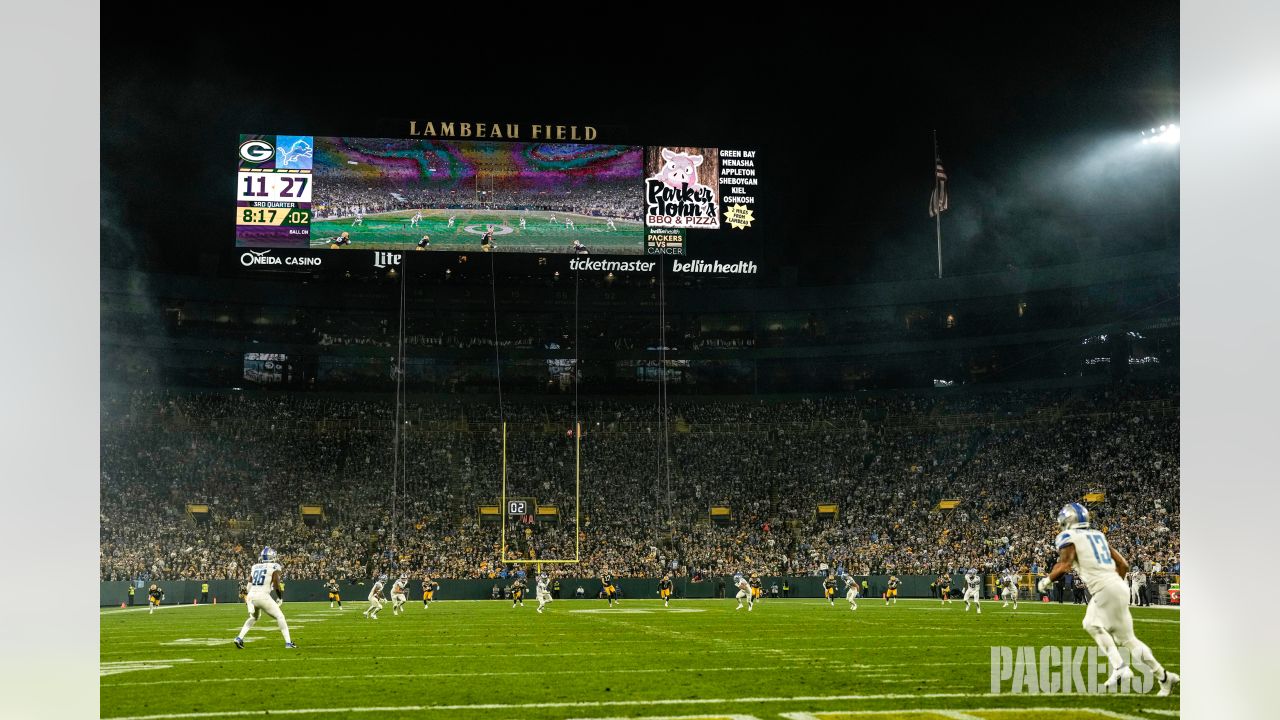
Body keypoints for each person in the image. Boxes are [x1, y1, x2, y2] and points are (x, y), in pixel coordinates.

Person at [1038, 503, 1179, 695]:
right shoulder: (1098, 535)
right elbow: (1123, 564)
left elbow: (1064, 565)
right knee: (1095, 625)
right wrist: (1115, 586)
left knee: (1121, 637)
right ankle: (1155, 675)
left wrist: (1046, 581)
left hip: (1105, 588)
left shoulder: (1068, 536)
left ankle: (1136, 671)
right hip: (1116, 586)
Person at [234, 546, 296, 649]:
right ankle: (288, 643)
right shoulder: (274, 566)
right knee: (280, 617)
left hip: (251, 596)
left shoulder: (255, 567)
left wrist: (249, 598)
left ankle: (239, 638)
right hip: (262, 596)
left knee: (254, 617)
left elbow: (249, 586)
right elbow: (276, 583)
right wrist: (280, 597)